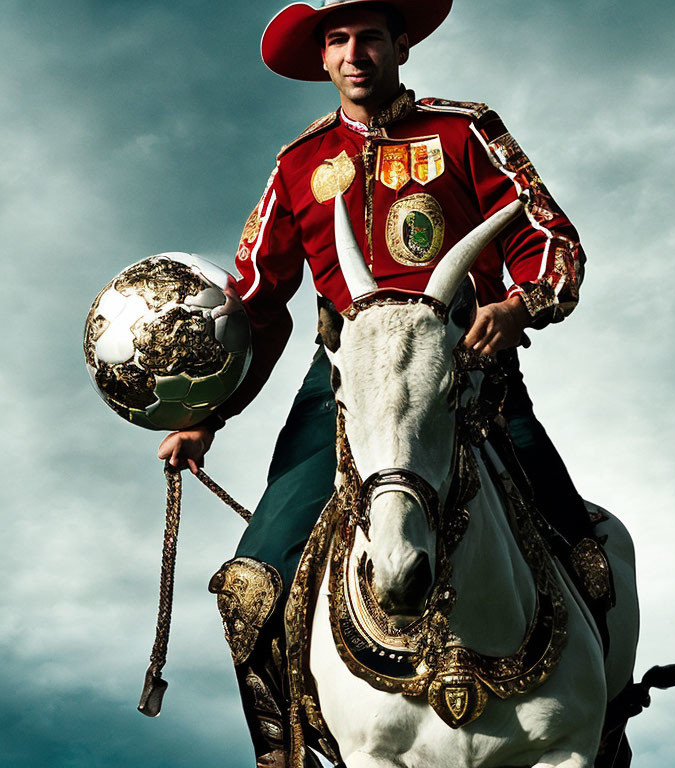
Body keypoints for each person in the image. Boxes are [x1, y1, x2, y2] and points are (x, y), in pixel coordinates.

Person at [158, 1, 608, 764]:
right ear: (323, 58)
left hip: (470, 371)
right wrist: (210, 414)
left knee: (589, 554)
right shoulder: (296, 165)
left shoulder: (466, 131)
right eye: (338, 40)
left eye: (369, 35)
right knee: (252, 582)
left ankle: (606, 713)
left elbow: (551, 238)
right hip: (340, 385)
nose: (355, 52)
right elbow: (258, 306)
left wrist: (516, 304)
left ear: (402, 42)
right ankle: (283, 750)